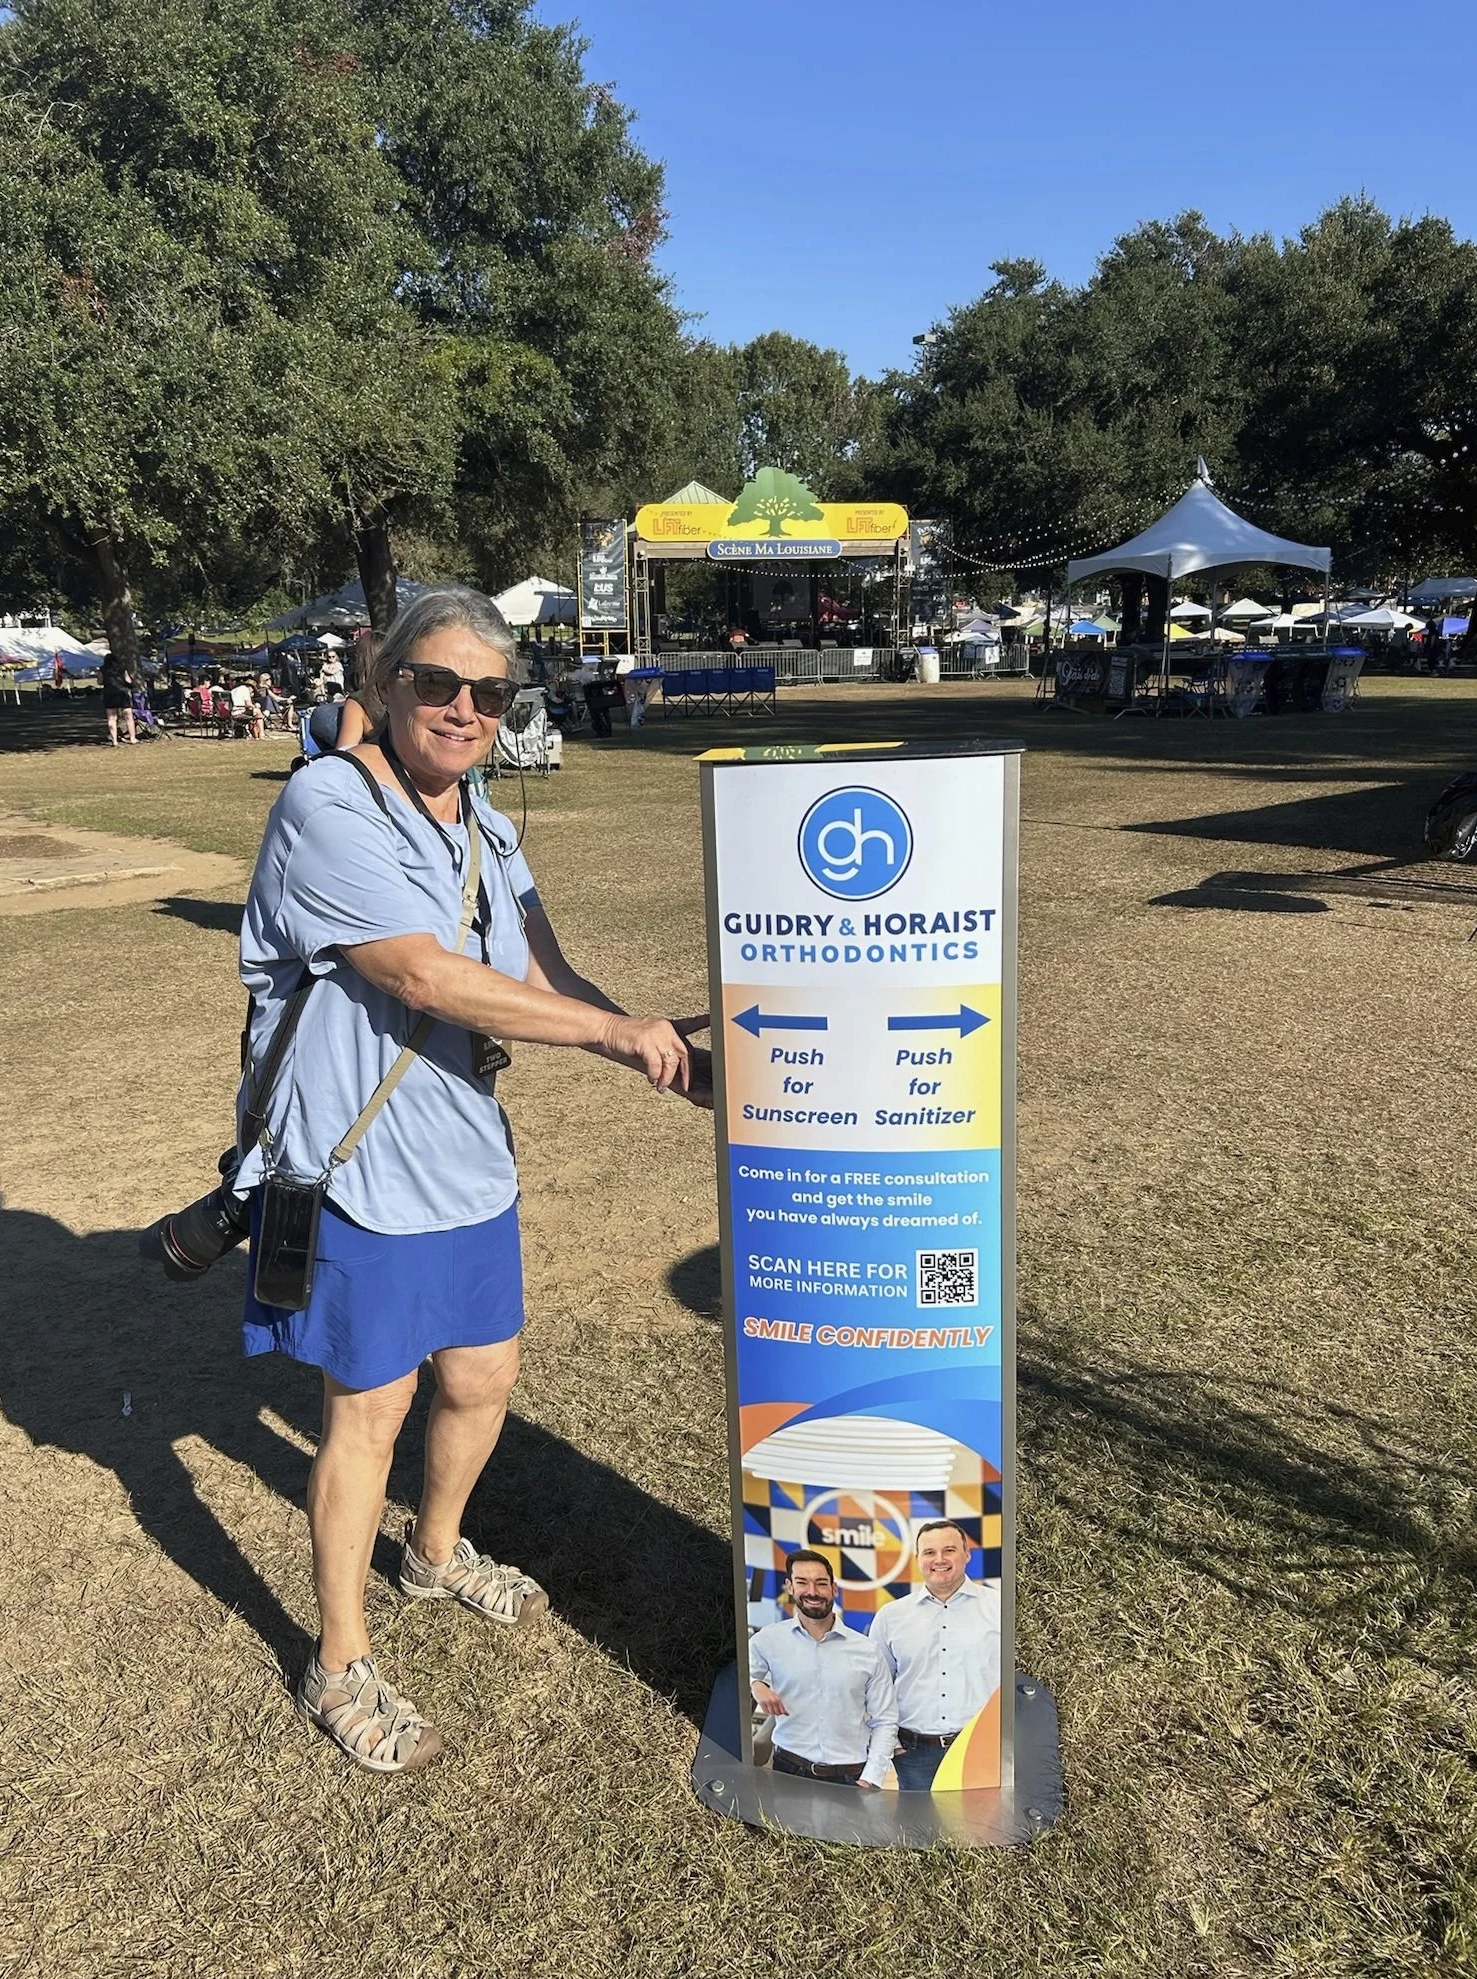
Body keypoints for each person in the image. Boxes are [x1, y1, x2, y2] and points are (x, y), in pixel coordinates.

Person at [233, 583, 709, 1774]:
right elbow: (422, 974)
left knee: (484, 1374)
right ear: (387, 684)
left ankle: (435, 1553)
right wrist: (611, 1037)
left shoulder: (489, 825)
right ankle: (337, 1658)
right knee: (369, 1410)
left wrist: (661, 1045)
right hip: (358, 1163)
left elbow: (543, 973)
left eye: (488, 693)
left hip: (465, 1157)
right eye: (436, 682)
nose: (461, 709)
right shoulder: (327, 805)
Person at [869, 1520, 1001, 1791]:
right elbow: (875, 1686)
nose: (939, 1560)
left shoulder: (999, 1608)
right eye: (929, 1552)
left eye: (949, 1550)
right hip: (915, 1755)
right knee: (921, 1832)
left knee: (979, 1832)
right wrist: (891, 1744)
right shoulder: (891, 1617)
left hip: (981, 1750)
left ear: (967, 1555)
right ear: (918, 1559)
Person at [748, 1551, 897, 1789]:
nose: (813, 1592)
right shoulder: (766, 1641)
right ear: (789, 1586)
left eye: (821, 1583)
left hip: (851, 1778)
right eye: (802, 1583)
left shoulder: (868, 1650)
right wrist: (756, 1685)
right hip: (788, 1772)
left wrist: (872, 1777)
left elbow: (886, 1720)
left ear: (834, 1589)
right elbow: (745, 1674)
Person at [101, 654, 136, 746]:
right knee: (128, 717)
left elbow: (99, 681)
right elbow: (128, 681)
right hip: (122, 693)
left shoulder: (103, 669)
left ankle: (114, 741)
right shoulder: (122, 668)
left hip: (109, 694)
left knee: (111, 718)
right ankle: (132, 738)